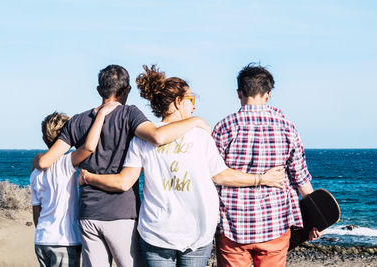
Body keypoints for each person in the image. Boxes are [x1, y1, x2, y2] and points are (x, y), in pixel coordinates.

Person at [78, 65, 287, 267]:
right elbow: (221, 176)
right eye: (191, 99)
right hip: (197, 231)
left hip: (156, 231)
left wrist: (88, 176)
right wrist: (261, 179)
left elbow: (124, 181)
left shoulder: (141, 139)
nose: (194, 105)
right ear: (178, 102)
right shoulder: (200, 135)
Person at [32, 64, 211, 267]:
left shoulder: (77, 121)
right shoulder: (129, 114)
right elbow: (156, 136)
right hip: (121, 213)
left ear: (99, 90)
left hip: (88, 214)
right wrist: (195, 122)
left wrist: (37, 159)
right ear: (127, 90)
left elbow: (46, 161)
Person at [213, 63, 322, 267]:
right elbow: (301, 179)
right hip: (275, 223)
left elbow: (213, 177)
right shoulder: (287, 128)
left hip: (232, 225)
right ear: (268, 94)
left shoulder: (223, 127)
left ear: (239, 93)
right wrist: (317, 218)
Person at [31, 102, 119, 267]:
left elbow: (36, 212)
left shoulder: (35, 172)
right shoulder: (66, 163)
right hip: (64, 239)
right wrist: (101, 115)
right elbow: (88, 148)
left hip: (42, 240)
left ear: (44, 138)